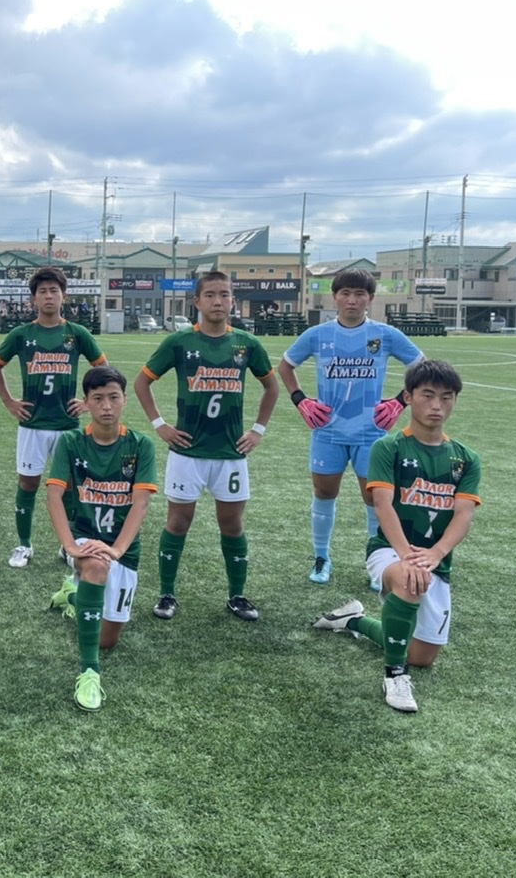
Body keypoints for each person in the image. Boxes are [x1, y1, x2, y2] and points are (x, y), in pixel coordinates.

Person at [313, 360, 480, 712]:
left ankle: (352, 620)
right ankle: (394, 676)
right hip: (389, 550)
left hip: (435, 560)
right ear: (408, 397)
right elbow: (382, 504)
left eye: (446, 397)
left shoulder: (466, 459)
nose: (437, 405)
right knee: (409, 580)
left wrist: (436, 553)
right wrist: (406, 555)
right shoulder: (389, 448)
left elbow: (464, 515)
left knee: (422, 657)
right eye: (428, 395)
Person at [133, 271, 279, 622]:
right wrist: (160, 425)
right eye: (210, 295)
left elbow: (272, 386)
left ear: (233, 301)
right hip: (188, 453)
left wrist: (258, 430)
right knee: (177, 522)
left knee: (232, 525)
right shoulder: (180, 342)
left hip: (231, 454)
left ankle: (237, 595)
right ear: (196, 301)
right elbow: (141, 383)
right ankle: (166, 593)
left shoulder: (246, 344)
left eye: (225, 294)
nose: (218, 301)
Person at [278, 269, 424, 584]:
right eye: (345, 293)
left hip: (371, 433)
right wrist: (301, 400)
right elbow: (286, 365)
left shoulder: (385, 334)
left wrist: (399, 401)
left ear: (370, 298)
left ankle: (378, 564)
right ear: (335, 297)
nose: (352, 300)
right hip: (328, 432)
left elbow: (420, 366)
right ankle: (321, 558)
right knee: (324, 492)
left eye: (359, 294)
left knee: (376, 500)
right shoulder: (317, 335)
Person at [44, 367, 156, 711]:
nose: (106, 406)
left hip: (122, 548)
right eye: (98, 398)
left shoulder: (140, 445)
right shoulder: (71, 442)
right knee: (96, 567)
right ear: (86, 403)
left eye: (113, 397)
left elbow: (140, 503)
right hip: (83, 539)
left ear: (124, 400)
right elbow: (53, 496)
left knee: (108, 640)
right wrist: (70, 546)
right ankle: (89, 673)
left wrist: (118, 549)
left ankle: (72, 596)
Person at [0, 265, 107, 568]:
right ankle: (24, 544)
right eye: (42, 291)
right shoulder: (21, 335)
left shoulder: (77, 334)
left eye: (54, 290)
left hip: (67, 425)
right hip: (33, 424)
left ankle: (69, 546)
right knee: (28, 484)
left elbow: (103, 368)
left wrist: (87, 402)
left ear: (63, 296)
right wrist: (8, 401)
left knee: (68, 487)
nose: (49, 296)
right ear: (33, 299)